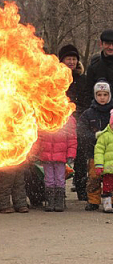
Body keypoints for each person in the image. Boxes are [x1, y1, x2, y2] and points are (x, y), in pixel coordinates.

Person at [57, 44, 88, 201]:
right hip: (61, 121)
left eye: (74, 59)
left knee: (81, 156)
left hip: (79, 120)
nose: (71, 61)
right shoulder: (54, 78)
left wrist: (78, 115)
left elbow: (86, 100)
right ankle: (58, 189)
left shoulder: (83, 79)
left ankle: (82, 188)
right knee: (60, 157)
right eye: (68, 58)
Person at [78, 79, 113, 211]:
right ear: (95, 95)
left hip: (111, 153)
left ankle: (110, 199)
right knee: (94, 177)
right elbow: (81, 131)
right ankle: (93, 200)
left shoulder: (112, 112)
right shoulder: (88, 113)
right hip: (93, 152)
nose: (102, 98)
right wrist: (93, 136)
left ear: (109, 95)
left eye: (105, 94)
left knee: (111, 177)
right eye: (99, 94)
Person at [33, 117, 77, 212]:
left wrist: (70, 155)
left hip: (60, 156)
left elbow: (72, 139)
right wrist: (35, 152)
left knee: (60, 178)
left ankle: (59, 201)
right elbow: (38, 138)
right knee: (48, 179)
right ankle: (50, 201)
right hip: (46, 156)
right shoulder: (44, 117)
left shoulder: (68, 119)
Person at [86, 30, 113, 104]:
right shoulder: (93, 67)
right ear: (101, 44)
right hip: (98, 110)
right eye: (107, 44)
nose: (111, 47)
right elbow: (88, 93)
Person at [94, 109, 113, 212]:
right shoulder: (105, 136)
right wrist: (99, 165)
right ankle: (107, 204)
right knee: (107, 187)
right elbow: (99, 152)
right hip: (108, 169)